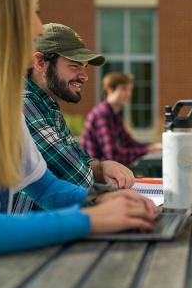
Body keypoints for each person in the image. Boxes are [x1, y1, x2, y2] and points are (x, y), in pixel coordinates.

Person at [0, 0, 158, 257]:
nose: (37, 27)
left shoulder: (0, 103)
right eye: (30, 11)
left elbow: (45, 187)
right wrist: (89, 219)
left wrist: (102, 200)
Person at [15, 23, 137, 212]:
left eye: (85, 67)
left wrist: (101, 167)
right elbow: (78, 178)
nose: (84, 76)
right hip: (26, 234)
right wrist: (97, 172)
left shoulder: (47, 104)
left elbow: (78, 157)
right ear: (40, 63)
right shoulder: (23, 103)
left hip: (51, 225)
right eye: (74, 66)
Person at [80, 72, 162, 166]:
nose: (128, 94)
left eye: (130, 89)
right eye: (124, 89)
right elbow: (112, 156)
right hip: (94, 173)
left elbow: (129, 143)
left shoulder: (115, 115)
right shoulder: (102, 115)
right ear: (109, 90)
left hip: (104, 170)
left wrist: (152, 146)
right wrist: (147, 149)